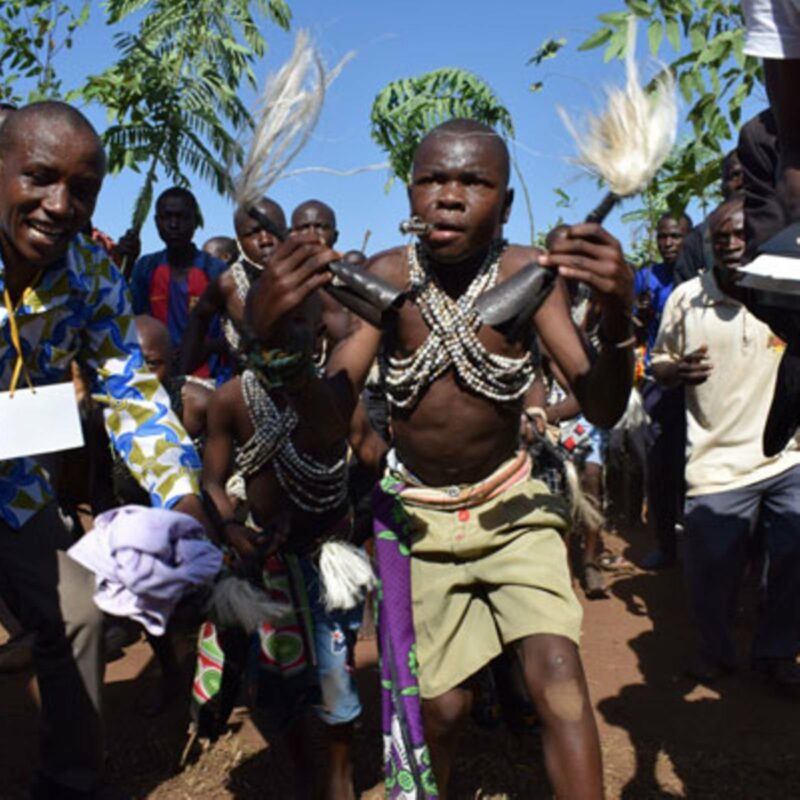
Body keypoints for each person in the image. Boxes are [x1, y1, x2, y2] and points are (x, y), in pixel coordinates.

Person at [248, 119, 634, 799]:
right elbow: (330, 423)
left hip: (515, 508)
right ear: (410, 191)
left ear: (507, 204)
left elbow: (600, 407)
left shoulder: (529, 278)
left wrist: (620, 317)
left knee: (558, 680)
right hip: (423, 522)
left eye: (473, 182)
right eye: (433, 180)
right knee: (442, 710)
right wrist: (278, 345)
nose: (449, 197)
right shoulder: (387, 280)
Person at [0, 101, 209, 799]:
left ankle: (69, 785)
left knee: (78, 616)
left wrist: (183, 496)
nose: (60, 204)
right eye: (38, 177)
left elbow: (127, 386)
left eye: (82, 189)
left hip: (15, 489)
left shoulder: (89, 272)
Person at [201, 290, 365, 800]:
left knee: (337, 677)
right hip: (269, 564)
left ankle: (339, 778)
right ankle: (301, 767)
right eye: (271, 326)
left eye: (299, 324)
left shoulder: (335, 394)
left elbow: (370, 455)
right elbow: (211, 481)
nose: (285, 336)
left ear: (319, 331)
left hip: (331, 557)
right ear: (250, 331)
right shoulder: (230, 400)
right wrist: (230, 527)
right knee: (277, 683)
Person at [650, 195, 800, 688]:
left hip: (786, 457)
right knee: (709, 571)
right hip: (715, 462)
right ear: (708, 244)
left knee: (791, 563)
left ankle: (776, 652)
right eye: (721, 238)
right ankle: (715, 650)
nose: (732, 244)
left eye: (740, 235)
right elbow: (659, 362)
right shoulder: (686, 299)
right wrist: (676, 371)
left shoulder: (786, 288)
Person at [633, 212, 693, 570]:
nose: (668, 243)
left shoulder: (699, 274)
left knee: (693, 466)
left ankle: (695, 543)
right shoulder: (646, 277)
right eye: (663, 236)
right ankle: (666, 545)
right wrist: (638, 316)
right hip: (659, 381)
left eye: (676, 236)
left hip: (697, 382)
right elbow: (636, 334)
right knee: (659, 467)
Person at [179, 197, 287, 375]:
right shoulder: (228, 284)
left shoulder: (312, 277)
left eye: (273, 230)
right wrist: (181, 377)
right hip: (252, 386)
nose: (265, 240)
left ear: (287, 232)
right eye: (253, 233)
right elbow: (198, 319)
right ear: (239, 242)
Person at [130, 186, 228, 379]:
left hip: (209, 379)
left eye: (182, 217)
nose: (174, 224)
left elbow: (233, 336)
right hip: (157, 378)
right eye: (167, 217)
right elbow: (133, 321)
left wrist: (201, 347)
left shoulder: (216, 271)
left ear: (195, 221)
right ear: (157, 222)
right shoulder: (145, 268)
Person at [674, 151, 743, 284]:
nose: (743, 182)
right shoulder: (697, 242)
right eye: (735, 175)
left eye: (752, 173)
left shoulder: (785, 230)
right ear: (722, 187)